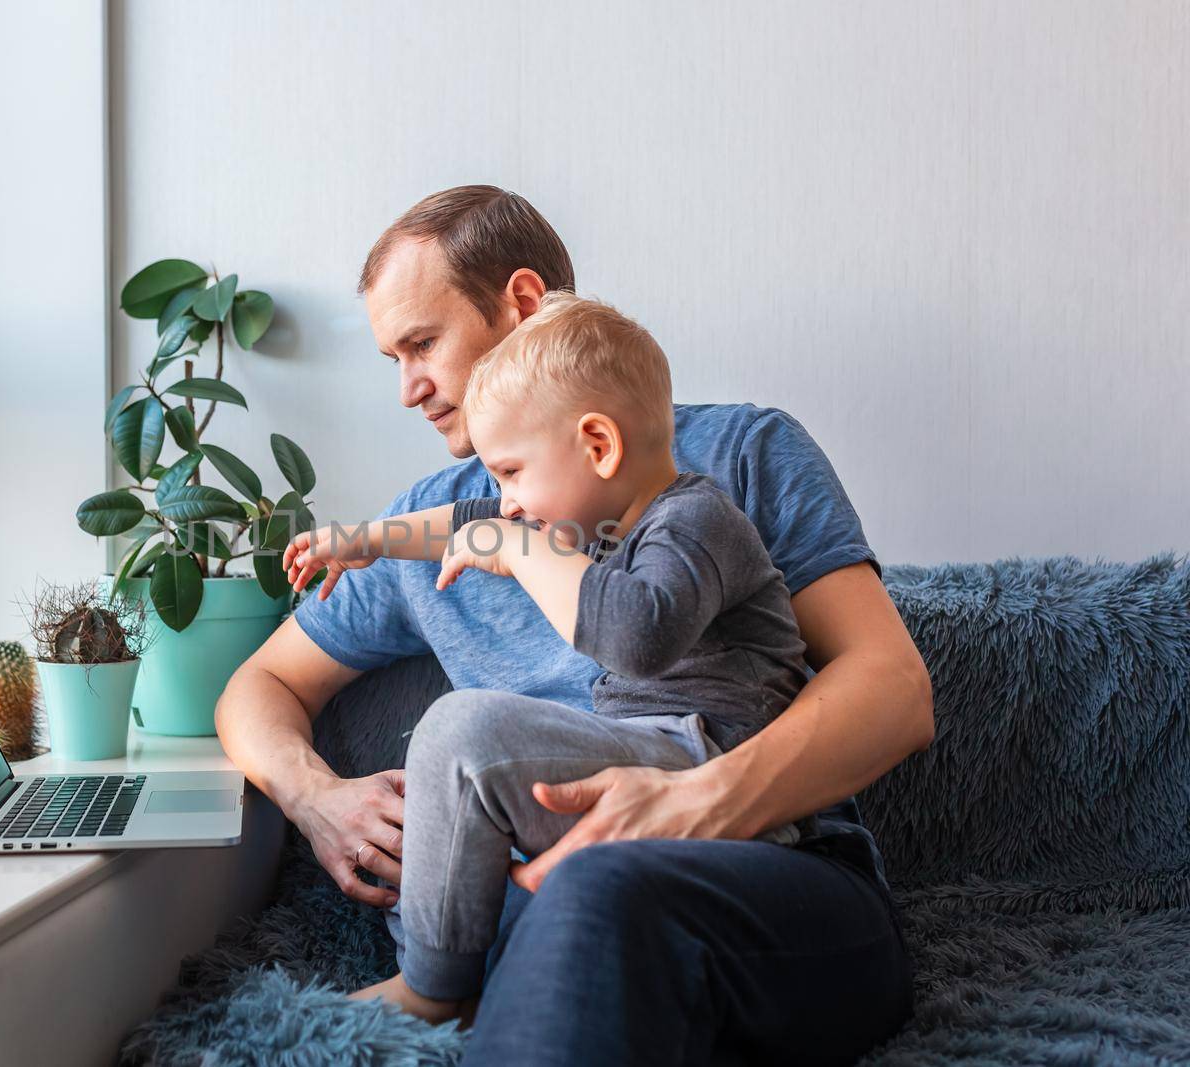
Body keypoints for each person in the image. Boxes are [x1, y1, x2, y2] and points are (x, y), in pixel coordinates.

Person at [215, 185, 930, 1064]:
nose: (406, 389)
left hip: (769, 872)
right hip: (537, 901)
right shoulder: (450, 515)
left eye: (422, 343)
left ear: (520, 304)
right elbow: (258, 685)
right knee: (552, 891)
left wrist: (691, 803)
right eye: (391, 359)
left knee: (595, 889)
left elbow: (894, 690)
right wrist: (316, 796)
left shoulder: (738, 458)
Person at [284, 291, 812, 1023]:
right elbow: (463, 522)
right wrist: (367, 541)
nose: (503, 505)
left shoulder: (695, 519)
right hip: (650, 756)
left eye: (511, 474)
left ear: (598, 445)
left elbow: (637, 638)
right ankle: (461, 953)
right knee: (458, 790)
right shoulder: (602, 518)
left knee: (462, 732)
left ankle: (433, 987)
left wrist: (527, 551)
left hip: (711, 764)